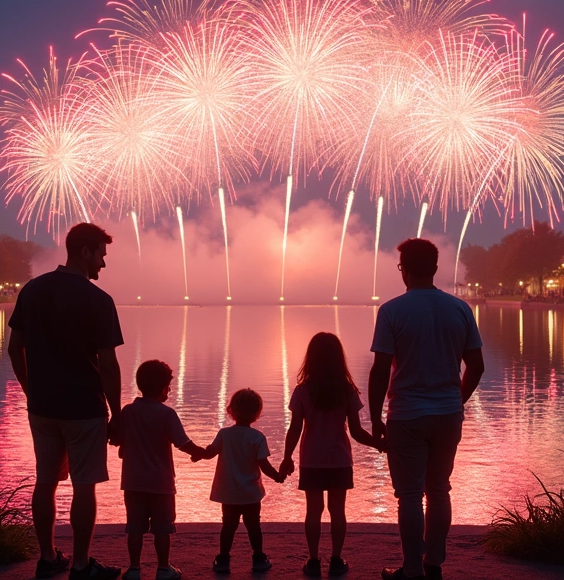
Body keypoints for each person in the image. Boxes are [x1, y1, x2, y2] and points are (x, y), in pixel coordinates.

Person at [7, 222, 124, 580]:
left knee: (46, 481)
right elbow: (108, 365)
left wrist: (31, 391)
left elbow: (15, 349)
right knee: (83, 486)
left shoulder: (33, 290)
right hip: (83, 409)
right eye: (101, 256)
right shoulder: (98, 300)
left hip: (42, 408)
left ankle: (47, 557)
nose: (103, 265)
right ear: (85, 252)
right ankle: (81, 564)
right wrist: (116, 414)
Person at [369, 238, 485, 580]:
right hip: (448, 414)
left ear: (404, 270)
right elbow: (476, 366)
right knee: (439, 490)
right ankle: (433, 564)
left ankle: (411, 569)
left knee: (409, 496)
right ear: (435, 268)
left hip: (406, 415)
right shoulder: (460, 309)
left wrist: (375, 418)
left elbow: (380, 370)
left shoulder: (391, 311)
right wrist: (456, 401)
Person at [279, 333, 385, 577]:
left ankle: (314, 559)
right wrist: (379, 444)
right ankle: (336, 559)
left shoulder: (303, 390)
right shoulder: (347, 390)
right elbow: (357, 432)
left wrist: (287, 457)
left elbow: (295, 428)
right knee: (338, 511)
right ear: (339, 358)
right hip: (339, 459)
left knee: (313, 511)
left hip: (312, 460)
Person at [118, 360, 204, 580]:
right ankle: (164, 568)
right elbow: (182, 442)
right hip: (161, 483)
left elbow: (120, 441)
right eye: (169, 386)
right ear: (163, 388)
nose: (170, 390)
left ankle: (134, 569)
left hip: (133, 482)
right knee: (163, 528)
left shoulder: (128, 411)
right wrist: (200, 452)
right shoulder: (166, 414)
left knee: (134, 528)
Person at [195, 388, 284, 574]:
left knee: (228, 526)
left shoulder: (224, 434)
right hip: (251, 493)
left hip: (229, 492)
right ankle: (258, 557)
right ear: (257, 414)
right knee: (253, 526)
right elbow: (264, 465)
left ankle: (223, 559)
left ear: (231, 411)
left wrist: (198, 455)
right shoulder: (257, 437)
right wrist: (277, 476)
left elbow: (210, 452)